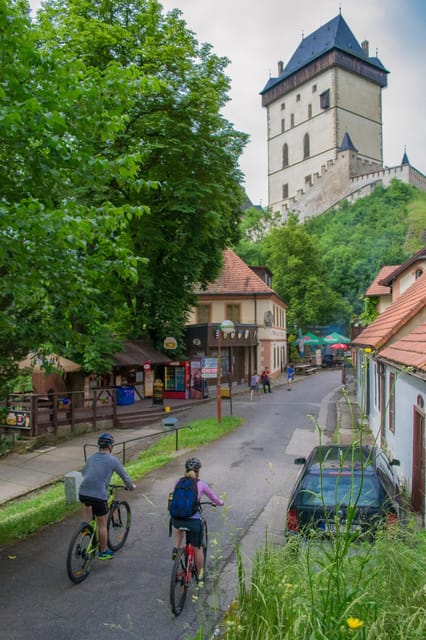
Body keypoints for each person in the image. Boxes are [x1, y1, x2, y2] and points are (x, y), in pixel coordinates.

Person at [78, 433, 136, 560]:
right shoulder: (112, 460)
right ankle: (103, 551)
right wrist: (131, 487)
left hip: (83, 492)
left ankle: (85, 526)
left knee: (87, 502)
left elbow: (84, 473)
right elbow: (124, 476)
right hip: (99, 495)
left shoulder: (91, 458)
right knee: (102, 524)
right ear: (110, 446)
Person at [171, 457, 223, 581]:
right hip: (193, 522)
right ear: (198, 471)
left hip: (176, 519)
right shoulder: (201, 484)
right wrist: (221, 502)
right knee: (197, 548)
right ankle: (200, 576)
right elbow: (214, 498)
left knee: (180, 527)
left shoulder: (178, 482)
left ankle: (176, 549)